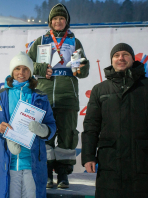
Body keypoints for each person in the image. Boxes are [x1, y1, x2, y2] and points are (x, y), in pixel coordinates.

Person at [81, 43, 148, 198]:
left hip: (144, 163)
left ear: (133, 59)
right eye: (116, 55)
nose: (121, 58)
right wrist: (88, 156)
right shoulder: (100, 90)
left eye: (125, 54)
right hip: (110, 164)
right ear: (111, 60)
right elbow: (91, 126)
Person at [27, 3, 90, 188]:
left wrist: (81, 69)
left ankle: (63, 175)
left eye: (62, 19)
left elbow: (84, 71)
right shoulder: (40, 41)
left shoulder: (74, 41)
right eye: (55, 19)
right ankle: (46, 173)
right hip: (43, 96)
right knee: (44, 134)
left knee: (67, 136)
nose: (58, 21)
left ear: (66, 21)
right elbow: (26, 64)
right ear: (50, 22)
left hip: (67, 96)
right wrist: (40, 68)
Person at [0, 52, 56, 198]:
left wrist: (44, 130)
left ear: (31, 72)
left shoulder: (40, 97)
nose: (21, 73)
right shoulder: (0, 96)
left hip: (32, 163)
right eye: (17, 69)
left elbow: (51, 126)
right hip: (7, 163)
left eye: (25, 69)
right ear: (11, 71)